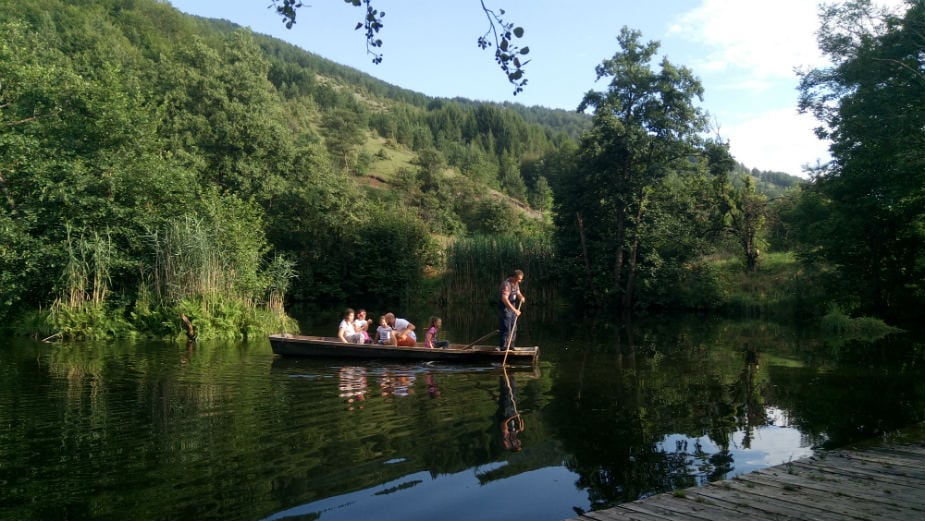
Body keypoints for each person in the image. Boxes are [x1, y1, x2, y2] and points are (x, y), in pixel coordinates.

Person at [498, 269, 526, 350]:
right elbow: (504, 299)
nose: (520, 281)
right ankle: (503, 348)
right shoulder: (506, 284)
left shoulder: (516, 283)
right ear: (514, 277)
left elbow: (518, 292)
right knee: (506, 328)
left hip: (512, 308)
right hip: (505, 309)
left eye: (521, 279)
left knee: (514, 328)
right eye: (519, 279)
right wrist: (515, 310)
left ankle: (511, 346)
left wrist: (521, 297)